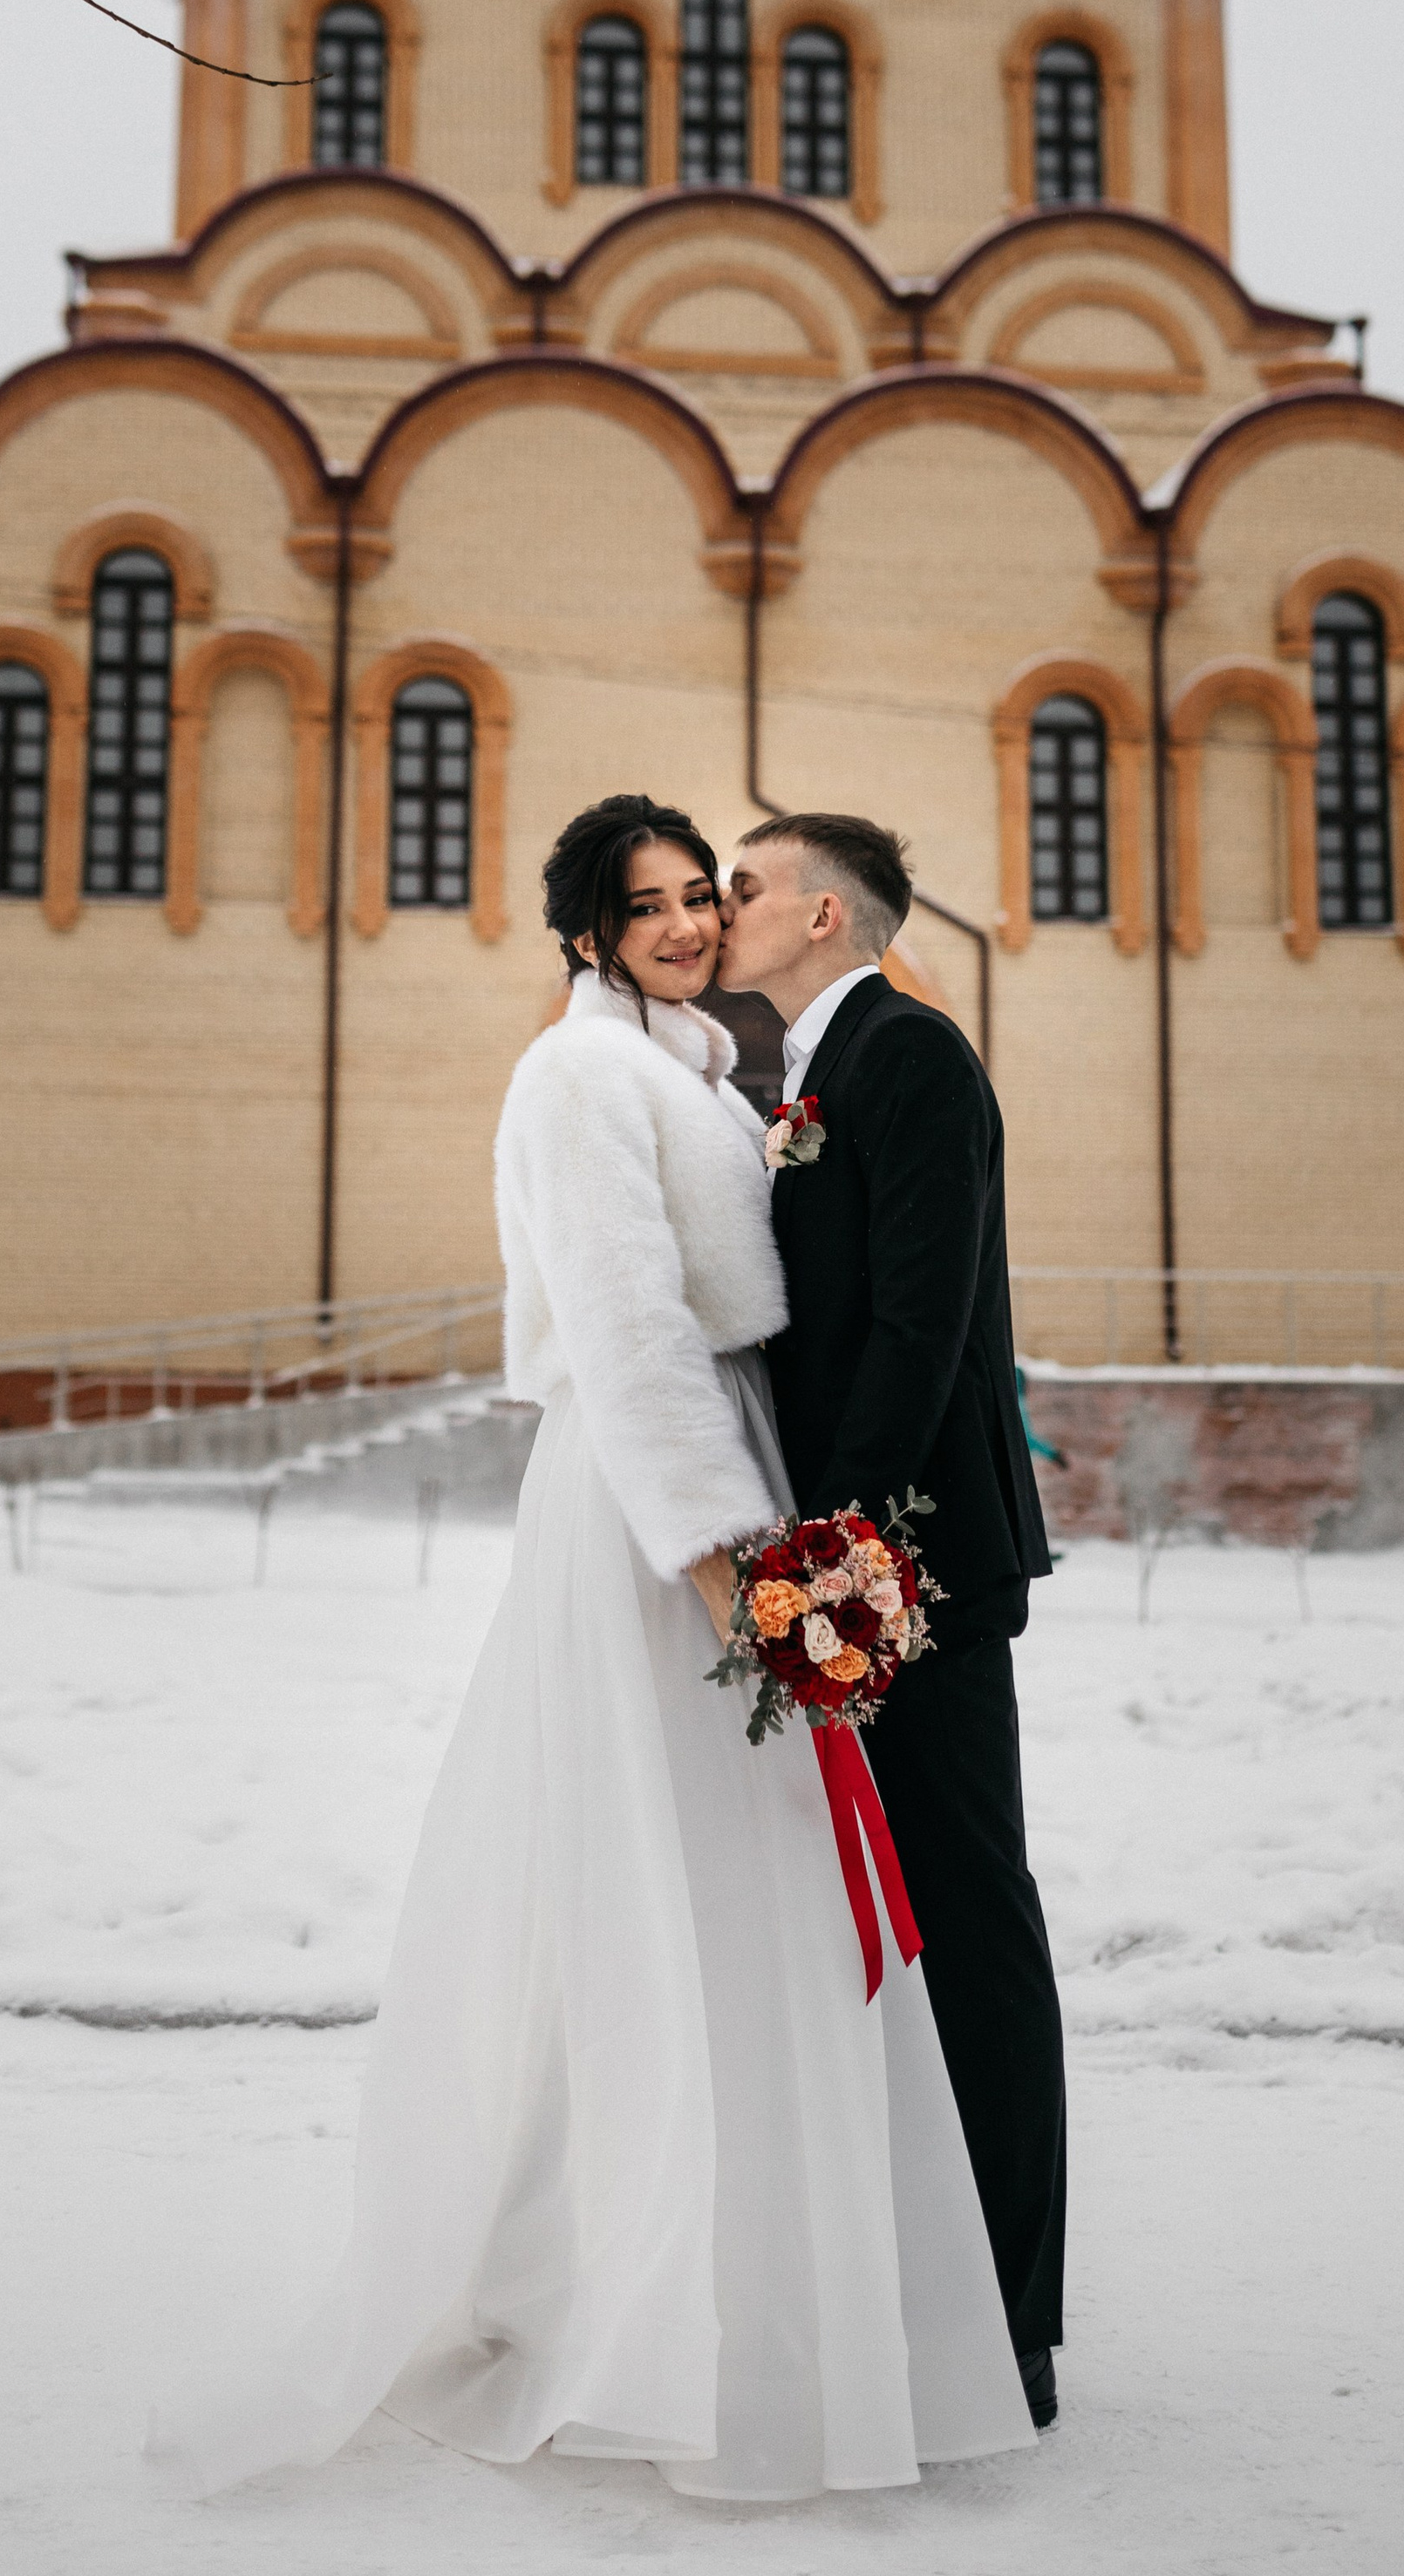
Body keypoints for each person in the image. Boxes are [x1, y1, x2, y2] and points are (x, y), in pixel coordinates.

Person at [152, 794, 1033, 2502]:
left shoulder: (698, 1068)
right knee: (668, 1895)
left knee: (748, 1909)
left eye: (702, 892)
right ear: (583, 931)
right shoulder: (578, 1079)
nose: (690, 921)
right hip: (664, 1520)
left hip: (745, 1483)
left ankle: (765, 2278)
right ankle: (649, 2299)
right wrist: (723, 1566)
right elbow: (630, 1338)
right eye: (648, 904)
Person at [718, 812, 1067, 2429]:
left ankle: (1016, 2317)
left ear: (825, 911)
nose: (720, 910)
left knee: (969, 1906)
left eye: (742, 886)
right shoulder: (803, 1071)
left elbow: (927, 1320)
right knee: (896, 1917)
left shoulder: (910, 1054)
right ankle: (919, 2284)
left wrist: (834, 1554)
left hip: (908, 1553)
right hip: (863, 1549)